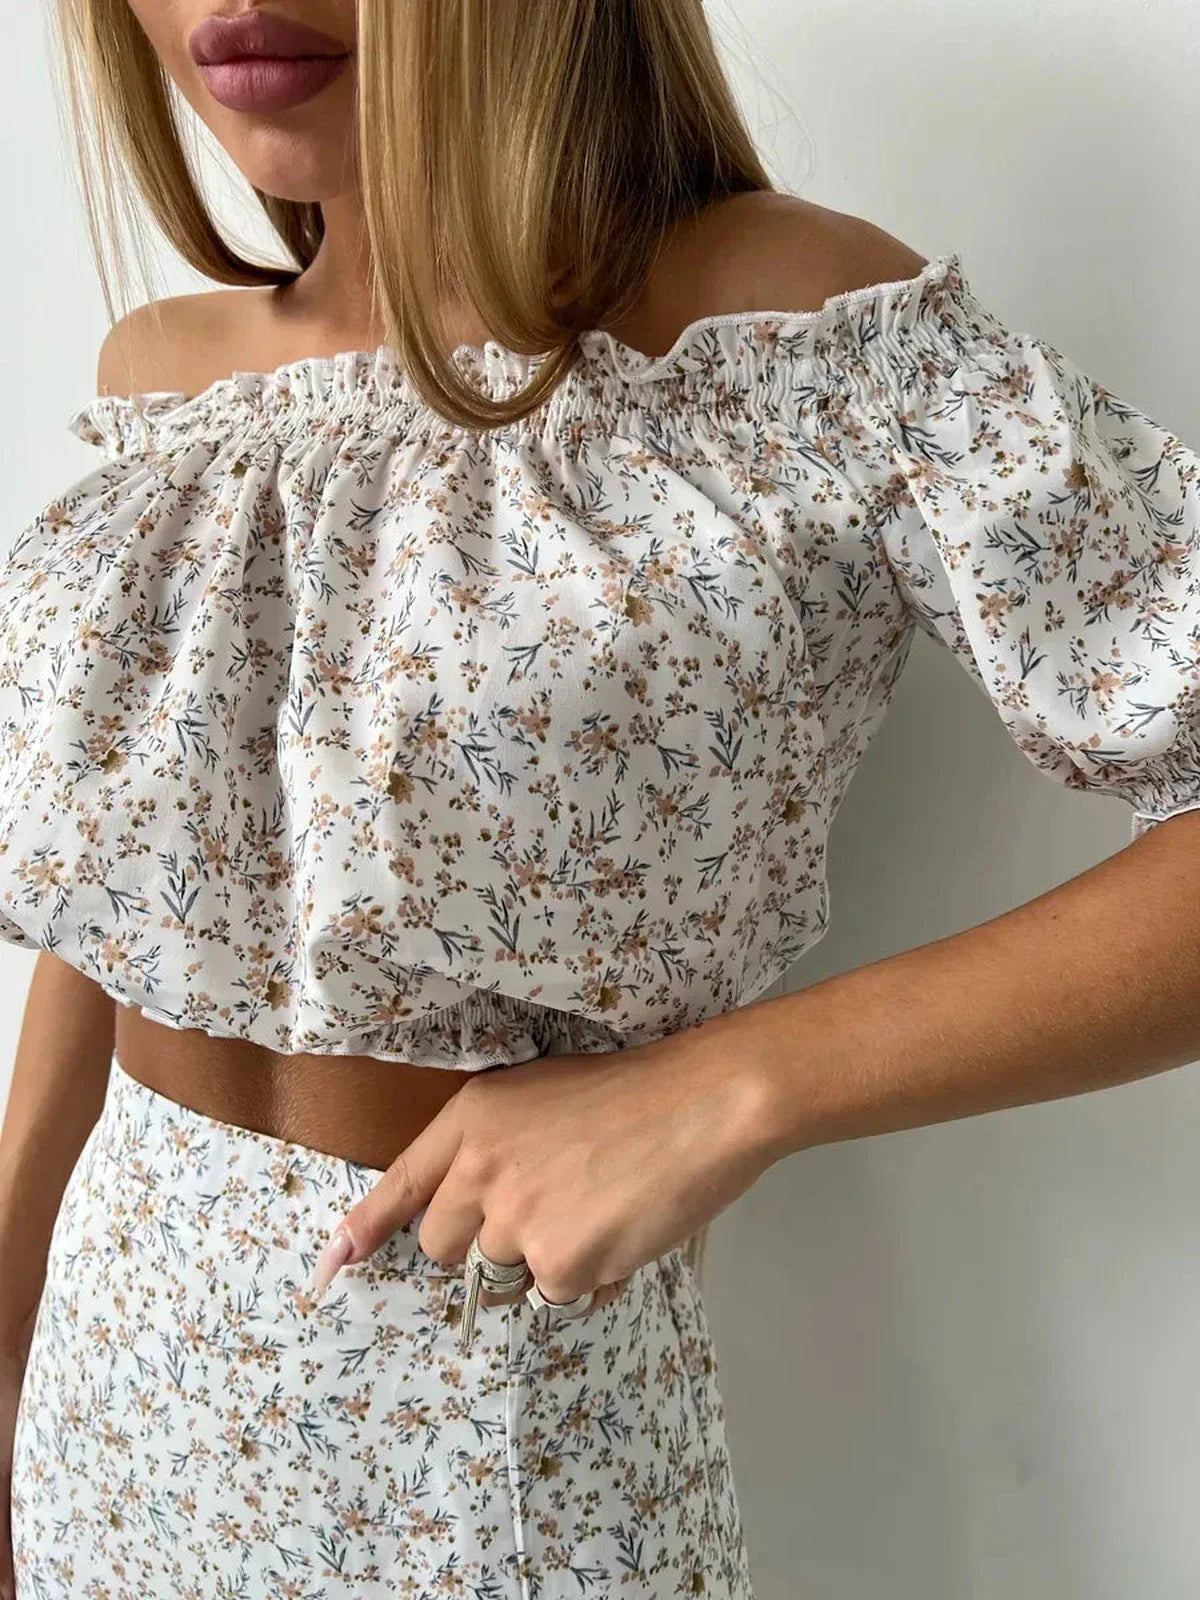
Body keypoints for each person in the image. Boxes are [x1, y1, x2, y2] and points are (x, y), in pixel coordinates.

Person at [4, 1, 1200, 1595]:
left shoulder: (788, 335)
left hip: (496, 1449)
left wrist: (741, 1085)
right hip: (110, 1394)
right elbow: (133, 889)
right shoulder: (164, 379)